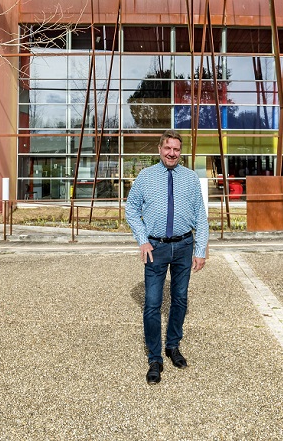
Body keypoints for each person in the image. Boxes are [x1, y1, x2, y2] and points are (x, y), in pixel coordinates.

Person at [125, 130, 209, 385]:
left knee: (180, 299)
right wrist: (142, 239)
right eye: (168, 148)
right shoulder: (146, 176)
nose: (172, 153)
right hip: (156, 248)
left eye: (176, 149)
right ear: (160, 149)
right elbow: (131, 208)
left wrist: (201, 249)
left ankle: (172, 346)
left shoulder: (191, 178)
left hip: (184, 245)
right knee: (152, 303)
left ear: (180, 152)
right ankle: (154, 358)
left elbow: (201, 216)